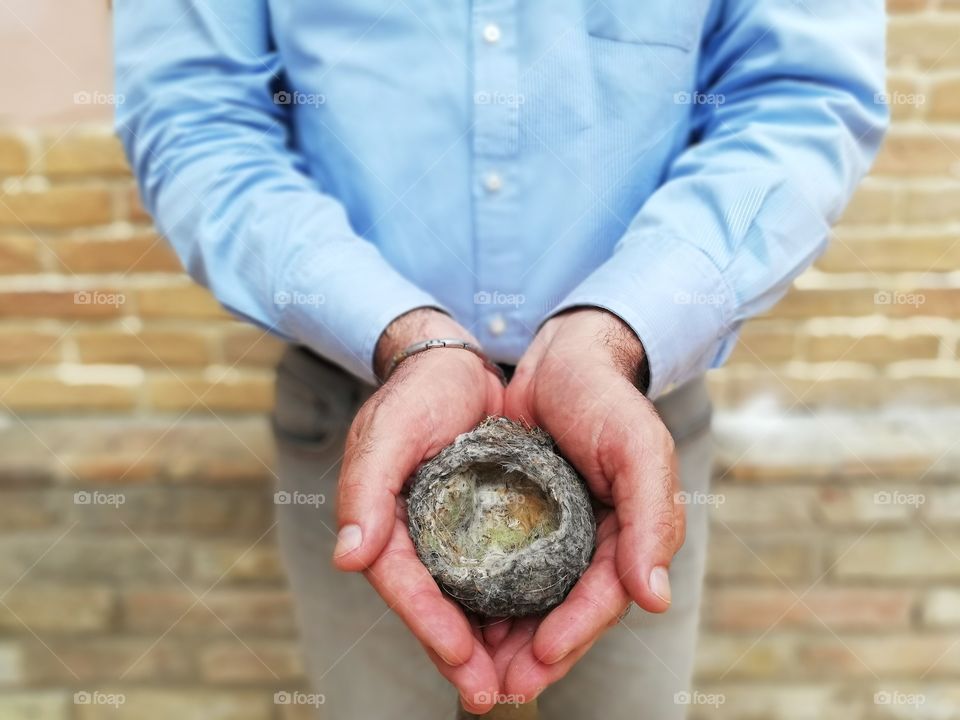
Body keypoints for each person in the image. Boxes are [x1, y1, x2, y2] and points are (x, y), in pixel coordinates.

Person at [115, 1, 887, 717]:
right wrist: (404, 334)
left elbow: (800, 95)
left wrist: (614, 331)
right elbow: (195, 116)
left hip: (632, 421)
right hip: (357, 420)